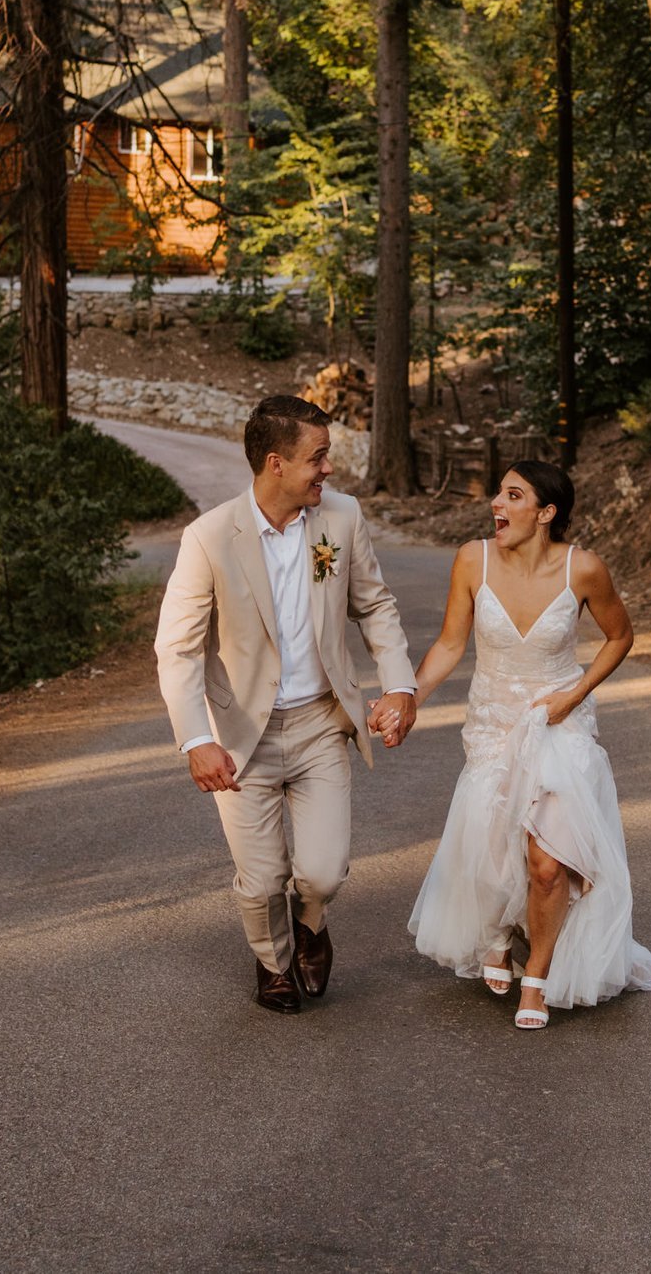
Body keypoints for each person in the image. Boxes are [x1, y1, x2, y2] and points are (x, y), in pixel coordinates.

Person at [154, 395, 421, 1014]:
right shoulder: (210, 536)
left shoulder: (342, 519)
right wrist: (197, 740)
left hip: (321, 724)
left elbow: (375, 606)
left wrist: (400, 683)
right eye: (318, 457)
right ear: (276, 463)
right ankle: (274, 963)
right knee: (261, 878)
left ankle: (312, 923)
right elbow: (177, 649)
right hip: (240, 735)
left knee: (323, 872)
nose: (328, 470)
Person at [405, 460, 651, 1029]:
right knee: (494, 840)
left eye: (512, 494)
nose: (496, 503)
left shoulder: (584, 569)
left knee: (548, 861)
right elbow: (450, 645)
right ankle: (498, 934)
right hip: (493, 722)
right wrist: (409, 699)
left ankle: (539, 977)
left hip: (557, 723)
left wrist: (574, 695)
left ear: (545, 513)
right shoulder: (473, 559)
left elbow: (620, 636)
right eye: (498, 492)